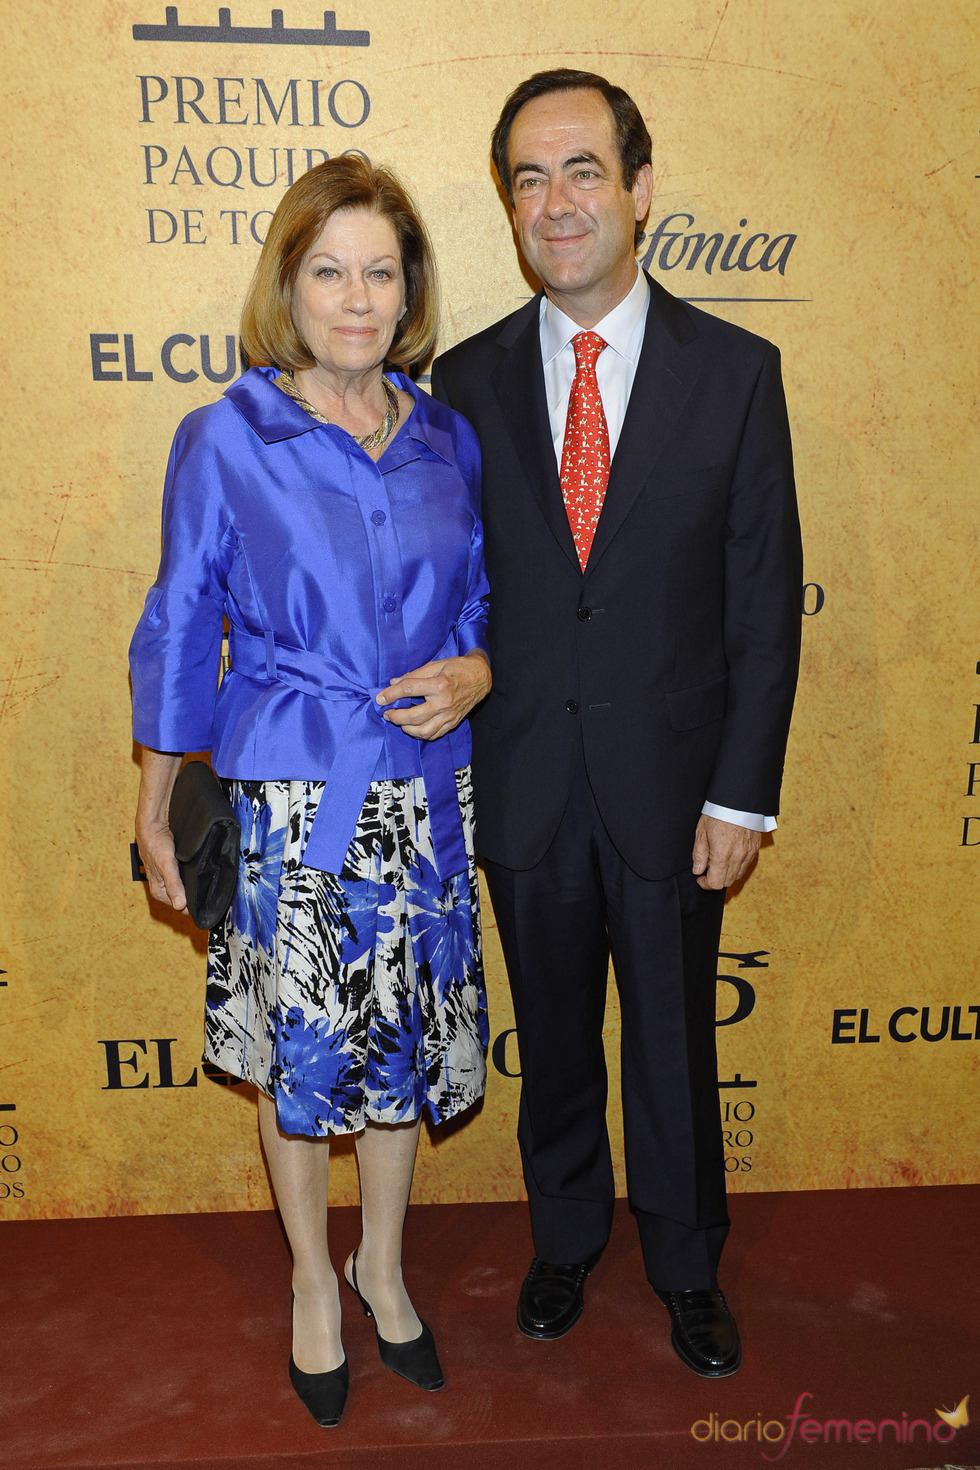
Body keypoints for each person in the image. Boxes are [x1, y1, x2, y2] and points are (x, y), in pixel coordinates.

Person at [431, 69, 802, 1378]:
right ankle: (565, 1234)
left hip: (673, 781)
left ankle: (688, 1261)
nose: (557, 201)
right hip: (524, 775)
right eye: (529, 179)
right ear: (509, 210)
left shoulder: (736, 375)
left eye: (583, 169)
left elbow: (764, 604)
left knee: (672, 1034)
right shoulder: (460, 383)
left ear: (640, 191)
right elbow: (438, 587)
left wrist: (740, 795)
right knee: (557, 1034)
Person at [130, 156, 492, 1428]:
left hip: (423, 799)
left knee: (392, 1046)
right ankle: (310, 1282)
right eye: (328, 269)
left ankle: (381, 1268)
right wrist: (155, 795)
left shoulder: (447, 435)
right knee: (301, 1057)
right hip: (290, 800)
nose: (355, 297)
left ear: (410, 290)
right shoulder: (227, 436)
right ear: (288, 283)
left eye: (379, 271)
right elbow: (180, 621)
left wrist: (480, 666)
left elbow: (481, 603)